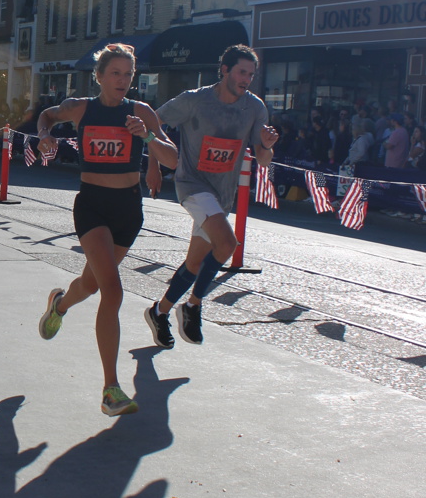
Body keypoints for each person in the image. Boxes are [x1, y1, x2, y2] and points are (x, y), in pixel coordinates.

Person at [35, 43, 177, 417]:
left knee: (92, 283)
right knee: (112, 291)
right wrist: (45, 135)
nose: (122, 80)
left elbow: (173, 158)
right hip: (93, 206)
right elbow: (46, 115)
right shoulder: (81, 108)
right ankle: (110, 390)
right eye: (115, 73)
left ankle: (59, 305)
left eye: (128, 74)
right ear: (98, 76)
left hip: (128, 210)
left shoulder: (141, 112)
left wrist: (147, 138)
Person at [143, 45, 278, 349]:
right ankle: (193, 306)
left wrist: (267, 145)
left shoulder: (254, 107)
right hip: (192, 185)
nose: (246, 80)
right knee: (227, 244)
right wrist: (154, 165)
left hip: (221, 194)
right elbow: (153, 122)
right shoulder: (194, 99)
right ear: (225, 70)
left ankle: (159, 312)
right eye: (241, 72)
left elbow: (263, 159)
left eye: (251, 75)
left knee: (194, 263)